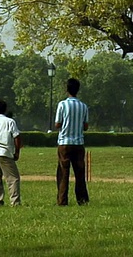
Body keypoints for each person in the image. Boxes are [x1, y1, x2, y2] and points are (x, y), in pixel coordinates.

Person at [55, 78, 90, 206]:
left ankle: (62, 200)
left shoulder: (62, 105)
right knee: (80, 173)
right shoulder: (83, 106)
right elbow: (85, 126)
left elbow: (58, 124)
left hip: (64, 142)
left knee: (63, 173)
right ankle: (82, 200)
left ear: (67, 89)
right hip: (79, 143)